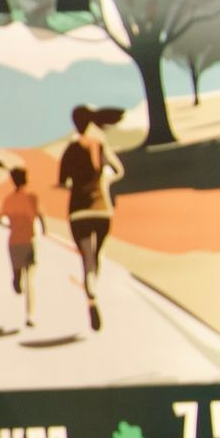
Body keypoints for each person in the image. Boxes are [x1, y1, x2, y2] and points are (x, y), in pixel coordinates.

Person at [59, 105, 127, 333]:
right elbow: (119, 171)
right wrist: (104, 180)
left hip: (78, 211)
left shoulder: (70, 149)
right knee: (97, 256)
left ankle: (92, 295)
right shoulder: (99, 145)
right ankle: (93, 286)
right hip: (101, 209)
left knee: (86, 257)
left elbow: (63, 182)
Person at [0, 163, 42, 328]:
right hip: (29, 241)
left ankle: (16, 281)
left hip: (14, 242)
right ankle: (30, 316)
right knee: (30, 280)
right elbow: (39, 216)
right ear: (26, 180)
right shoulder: (32, 198)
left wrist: (8, 225)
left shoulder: (8, 199)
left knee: (20, 276)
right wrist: (44, 231)